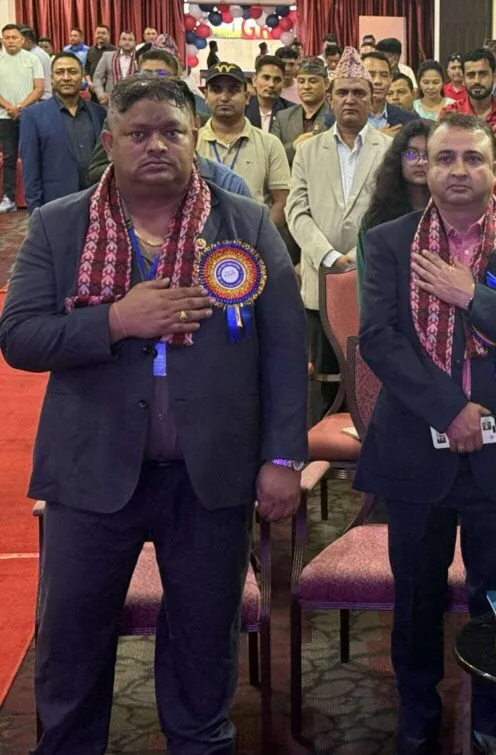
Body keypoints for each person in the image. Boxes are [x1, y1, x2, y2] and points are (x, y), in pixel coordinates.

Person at [0, 74, 307, 755]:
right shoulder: (59, 224)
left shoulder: (246, 222)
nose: (156, 145)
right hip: (90, 474)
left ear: (194, 138)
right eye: (138, 134)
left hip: (210, 478)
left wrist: (283, 457)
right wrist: (116, 320)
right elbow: (18, 336)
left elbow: (287, 351)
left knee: (204, 653)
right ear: (109, 143)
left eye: (171, 131)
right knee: (72, 652)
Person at [356, 111, 496, 755]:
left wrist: (472, 295)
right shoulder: (388, 243)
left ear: (494, 169)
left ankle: (493, 723)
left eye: (472, 158)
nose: (457, 170)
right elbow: (379, 340)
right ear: (424, 166)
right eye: (444, 157)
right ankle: (417, 717)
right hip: (416, 450)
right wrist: (450, 409)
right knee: (416, 599)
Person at [286, 47, 391, 420]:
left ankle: (371, 452)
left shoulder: (390, 150)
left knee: (374, 380)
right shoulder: (307, 151)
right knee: (323, 382)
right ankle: (321, 452)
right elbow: (296, 211)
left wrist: (361, 258)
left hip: (374, 282)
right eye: (343, 92)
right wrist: (329, 257)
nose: (350, 99)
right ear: (330, 98)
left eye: (359, 92)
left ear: (372, 99)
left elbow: (394, 213)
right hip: (320, 282)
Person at [87, 50, 224, 185]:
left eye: (161, 74)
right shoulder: (120, 118)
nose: (153, 81)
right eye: (146, 74)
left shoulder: (201, 120)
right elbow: (94, 173)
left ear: (176, 78)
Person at [198, 62, 290, 227]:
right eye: (216, 90)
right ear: (205, 95)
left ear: (247, 97)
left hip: (254, 236)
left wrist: (259, 236)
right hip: (201, 236)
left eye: (233, 90)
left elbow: (281, 202)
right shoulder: (191, 143)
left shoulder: (269, 144)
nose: (224, 97)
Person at [356, 119, 432, 303]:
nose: (420, 162)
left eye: (428, 155)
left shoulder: (453, 215)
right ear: (399, 159)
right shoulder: (377, 220)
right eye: (412, 154)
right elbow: (368, 289)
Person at [19, 52, 104, 214]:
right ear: (52, 78)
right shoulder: (33, 116)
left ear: (82, 76)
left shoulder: (99, 113)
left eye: (72, 72)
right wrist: (36, 213)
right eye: (60, 72)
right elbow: (30, 170)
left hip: (95, 203)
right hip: (55, 206)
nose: (66, 77)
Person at [440, 48, 496, 191]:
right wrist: (488, 144)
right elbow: (443, 158)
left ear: (494, 76)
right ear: (463, 79)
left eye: (483, 74)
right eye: (471, 75)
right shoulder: (449, 114)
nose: (477, 81)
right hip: (461, 192)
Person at [0, 24, 44, 213]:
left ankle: (36, 196)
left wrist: (20, 107)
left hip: (29, 115)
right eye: (7, 37)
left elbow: (39, 88)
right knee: (9, 157)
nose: (11, 41)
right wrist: (9, 107)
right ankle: (9, 198)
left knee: (32, 155)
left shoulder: (32, 59)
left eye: (14, 37)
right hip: (4, 116)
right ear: (2, 40)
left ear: (22, 40)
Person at [270, 57, 334, 165]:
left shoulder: (335, 117)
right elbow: (271, 156)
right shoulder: (283, 117)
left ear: (326, 83)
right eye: (301, 81)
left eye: (313, 81)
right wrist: (294, 146)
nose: (306, 86)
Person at [362, 50, 417, 136]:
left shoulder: (410, 120)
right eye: (371, 75)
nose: (377, 81)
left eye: (384, 75)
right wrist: (378, 137)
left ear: (390, 79)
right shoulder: (344, 118)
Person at [246, 54, 296, 131]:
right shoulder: (242, 108)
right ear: (254, 80)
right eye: (266, 78)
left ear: (283, 83)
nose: (271, 84)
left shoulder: (292, 112)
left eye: (277, 80)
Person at [91, 30, 137, 105]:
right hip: (111, 102)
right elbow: (97, 77)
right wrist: (101, 94)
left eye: (130, 40)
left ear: (135, 43)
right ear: (119, 42)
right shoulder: (107, 56)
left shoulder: (140, 58)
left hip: (134, 102)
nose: (127, 42)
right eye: (124, 39)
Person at [19, 27, 51, 100]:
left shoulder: (33, 56)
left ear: (27, 41)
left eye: (20, 41)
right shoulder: (39, 52)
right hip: (44, 96)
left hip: (40, 98)